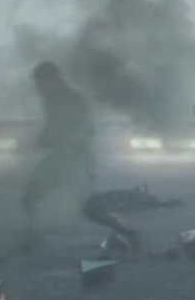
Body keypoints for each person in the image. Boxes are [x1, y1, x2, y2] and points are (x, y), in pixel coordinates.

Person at [19, 62, 142, 252]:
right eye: (38, 83)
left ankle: (128, 232)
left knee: (89, 208)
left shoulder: (74, 100)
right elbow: (52, 127)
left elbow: (84, 130)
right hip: (59, 158)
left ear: (54, 80)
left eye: (42, 82)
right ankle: (32, 238)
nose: (39, 87)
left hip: (76, 161)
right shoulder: (50, 100)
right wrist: (43, 139)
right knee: (30, 197)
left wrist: (61, 138)